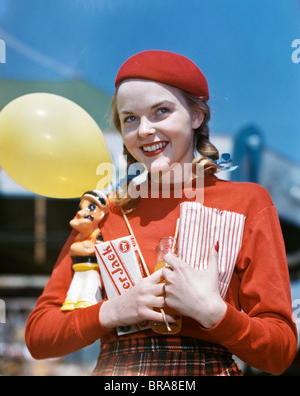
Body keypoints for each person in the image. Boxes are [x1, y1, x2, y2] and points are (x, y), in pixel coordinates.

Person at [25, 50, 297, 376]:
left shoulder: (248, 202)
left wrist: (212, 312)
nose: (143, 131)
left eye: (161, 112)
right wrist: (114, 310)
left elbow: (280, 352)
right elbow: (39, 336)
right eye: (130, 119)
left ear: (197, 116)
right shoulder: (103, 212)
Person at [61, 190, 109, 311]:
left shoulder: (97, 234)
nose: (81, 212)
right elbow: (76, 249)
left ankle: (88, 300)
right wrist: (81, 247)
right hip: (78, 267)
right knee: (75, 286)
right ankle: (72, 300)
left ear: (101, 214)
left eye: (91, 208)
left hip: (91, 267)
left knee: (90, 285)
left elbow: (93, 249)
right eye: (80, 208)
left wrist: (81, 248)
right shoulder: (78, 237)